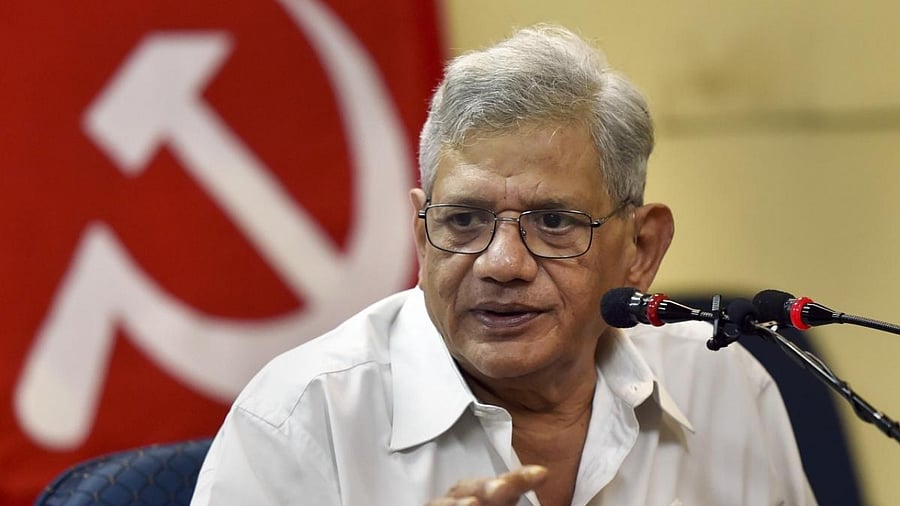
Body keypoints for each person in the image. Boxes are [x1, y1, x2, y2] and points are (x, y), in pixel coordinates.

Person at [191, 24, 815, 505]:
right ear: (421, 233)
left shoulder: (720, 384)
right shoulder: (302, 419)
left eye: (554, 222)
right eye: (464, 220)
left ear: (641, 248)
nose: (503, 264)